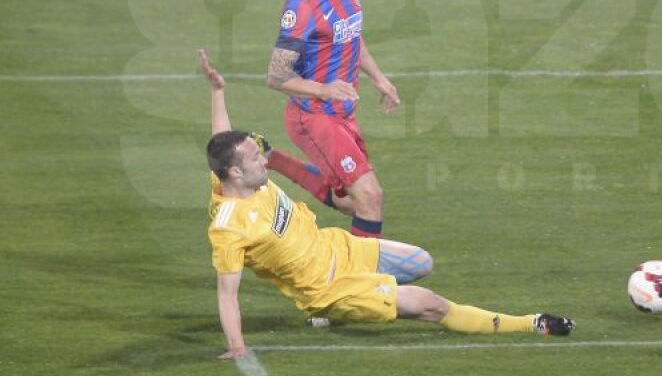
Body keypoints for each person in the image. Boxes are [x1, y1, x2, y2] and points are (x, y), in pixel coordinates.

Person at [199, 49, 574, 359]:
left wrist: (218, 91)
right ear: (234, 174)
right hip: (328, 287)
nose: (265, 160)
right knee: (432, 306)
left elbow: (221, 139)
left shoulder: (229, 177)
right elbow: (226, 292)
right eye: (255, 159)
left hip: (338, 248)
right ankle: (531, 322)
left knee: (422, 262)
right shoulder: (230, 228)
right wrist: (238, 346)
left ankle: (377, 292)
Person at [265, 0, 398, 239]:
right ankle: (364, 286)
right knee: (370, 197)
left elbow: (350, 34)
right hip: (314, 117)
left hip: (342, 113)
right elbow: (277, 76)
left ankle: (271, 159)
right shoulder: (302, 7)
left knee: (349, 200)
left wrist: (378, 77)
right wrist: (324, 91)